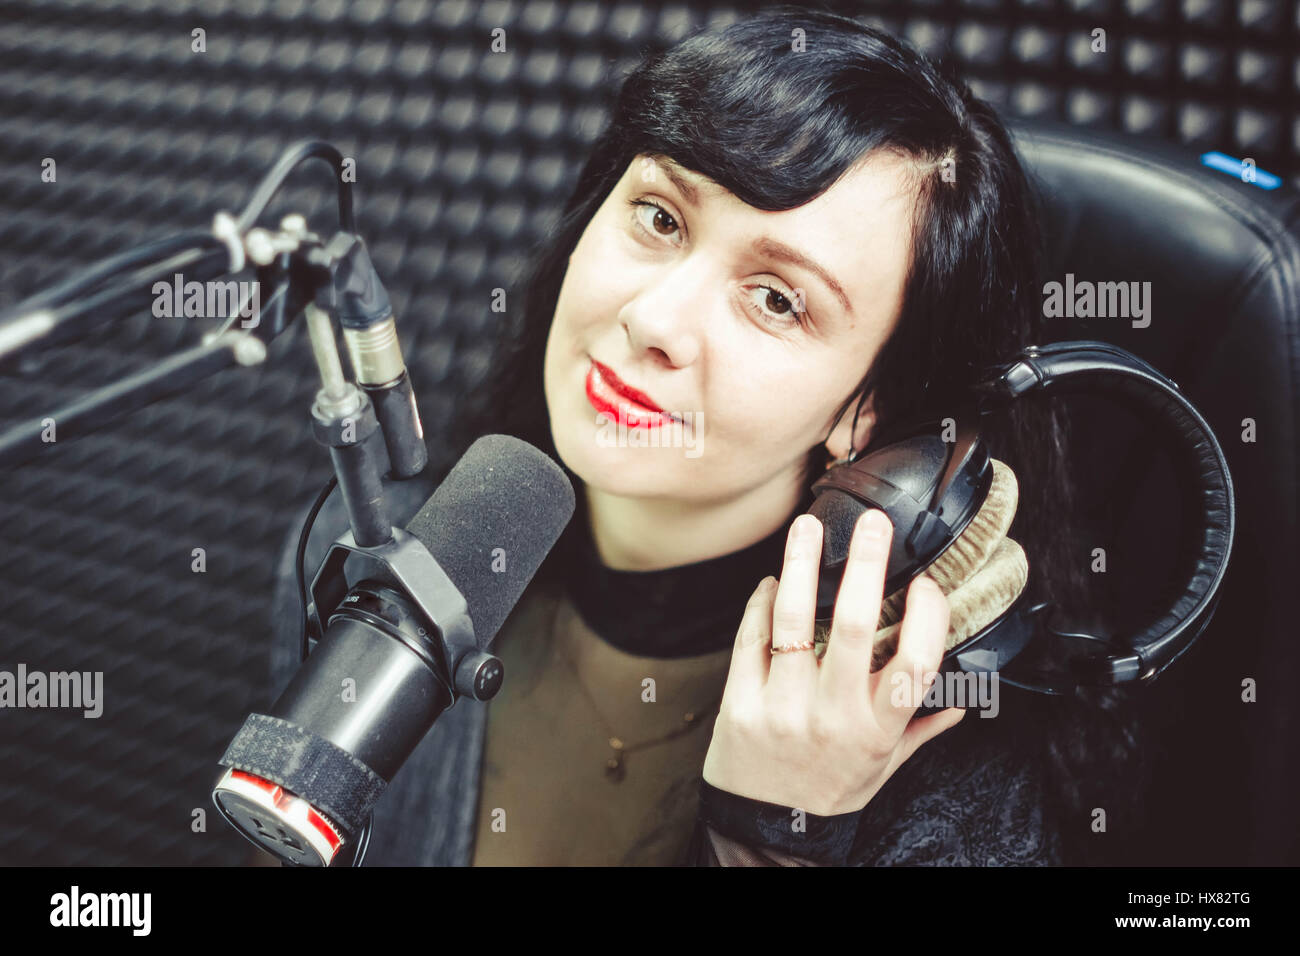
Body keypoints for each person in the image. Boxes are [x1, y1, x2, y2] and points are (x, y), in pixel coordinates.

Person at [269, 7, 1144, 866]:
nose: (654, 319)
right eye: (659, 217)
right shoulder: (371, 567)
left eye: (776, 299)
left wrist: (768, 839)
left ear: (867, 411)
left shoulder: (937, 756)